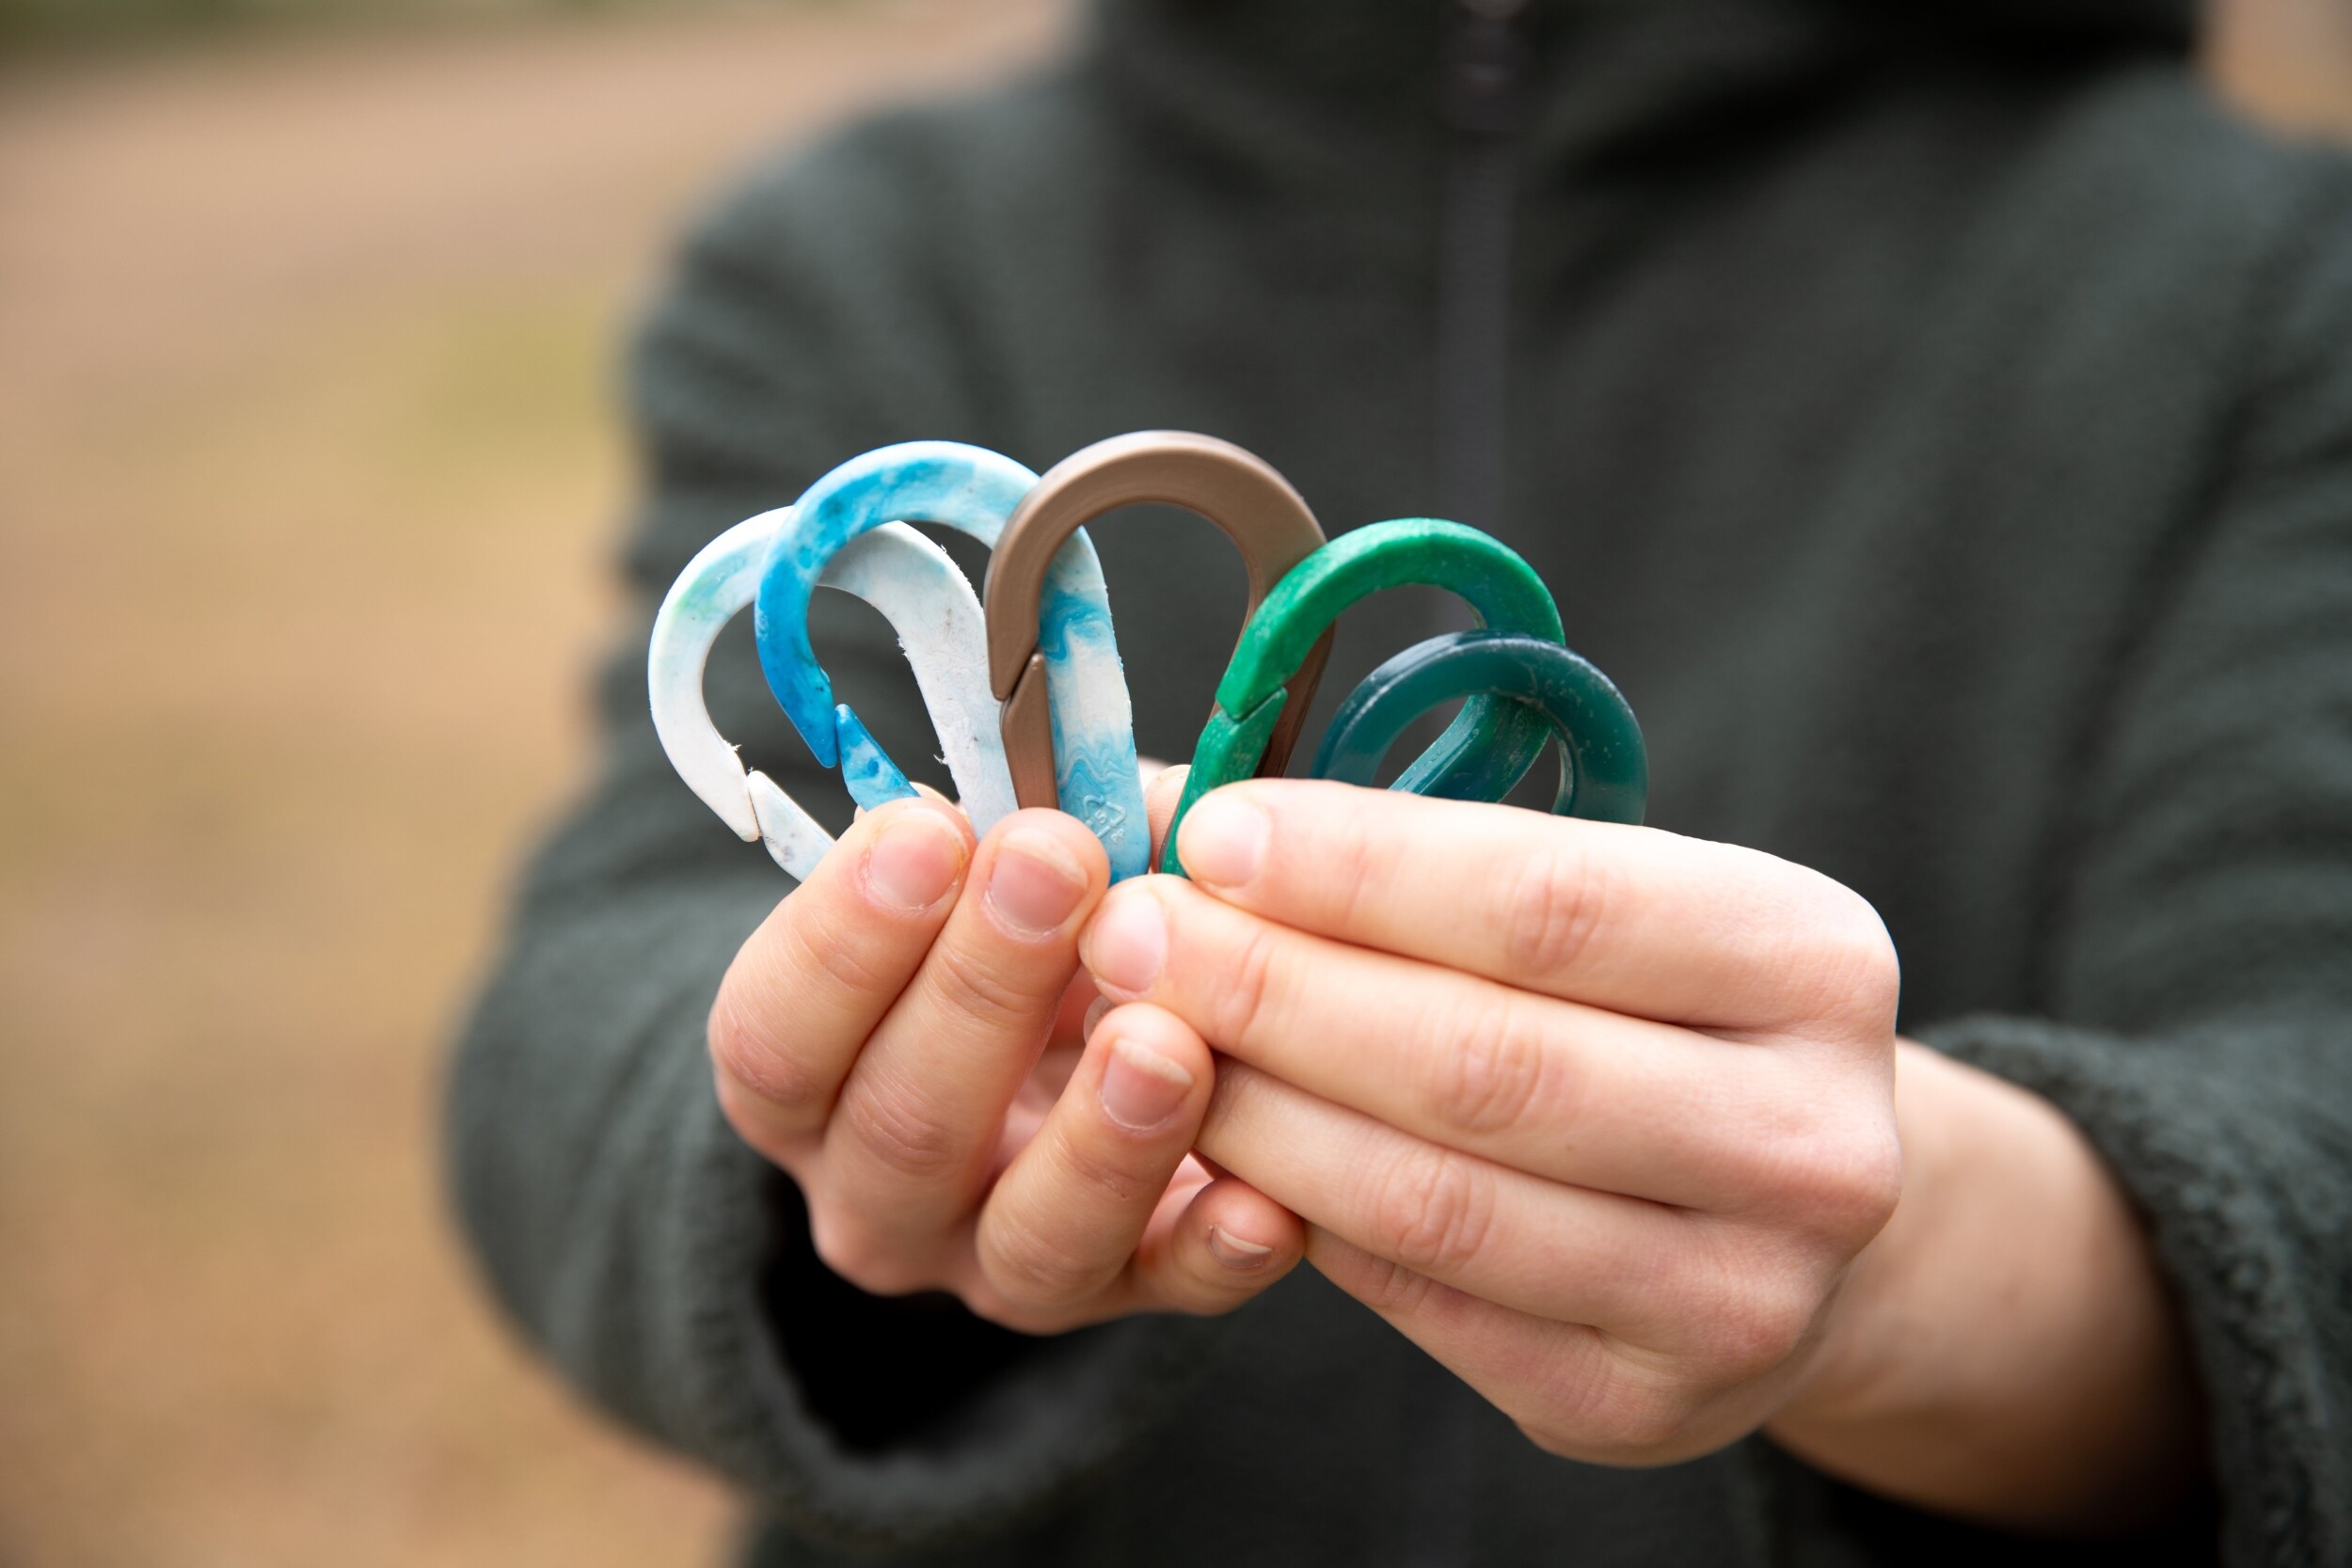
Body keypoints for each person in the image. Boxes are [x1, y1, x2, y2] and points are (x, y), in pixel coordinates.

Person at [447, 0, 2352, 1562]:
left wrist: (1912, 1253)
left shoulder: (2266, 291)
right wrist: (809, 1123)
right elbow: (592, 985)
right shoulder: (858, 251)